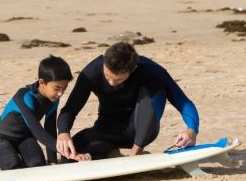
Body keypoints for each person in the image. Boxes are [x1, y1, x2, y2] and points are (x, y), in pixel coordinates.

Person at [56, 42, 199, 160]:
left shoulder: (151, 70)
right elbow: (70, 109)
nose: (111, 82)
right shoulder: (91, 72)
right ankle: (111, 152)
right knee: (68, 156)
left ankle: (136, 152)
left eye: (118, 79)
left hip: (140, 129)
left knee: (155, 86)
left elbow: (184, 103)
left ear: (133, 69)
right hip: (106, 130)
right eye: (107, 76)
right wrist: (63, 132)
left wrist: (191, 130)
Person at [0, 55, 90, 170]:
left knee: (37, 165)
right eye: (56, 88)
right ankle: (12, 156)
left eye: (64, 88)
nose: (60, 94)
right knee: (12, 166)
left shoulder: (53, 100)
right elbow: (37, 130)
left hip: (25, 138)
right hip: (2, 137)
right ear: (42, 82)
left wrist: (53, 162)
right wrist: (67, 151)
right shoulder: (24, 96)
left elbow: (50, 129)